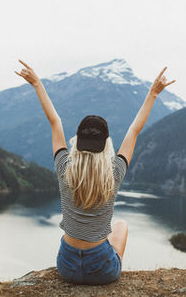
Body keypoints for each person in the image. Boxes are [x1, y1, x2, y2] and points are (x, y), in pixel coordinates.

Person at [15, 60, 175, 285]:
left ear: (77, 142)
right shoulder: (114, 173)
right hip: (103, 271)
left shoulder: (64, 168)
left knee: (101, 234)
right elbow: (134, 130)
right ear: (106, 144)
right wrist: (153, 94)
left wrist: (37, 84)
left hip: (67, 266)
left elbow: (55, 121)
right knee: (121, 226)